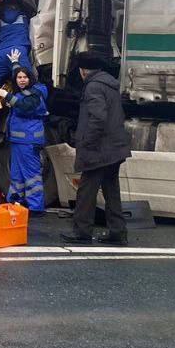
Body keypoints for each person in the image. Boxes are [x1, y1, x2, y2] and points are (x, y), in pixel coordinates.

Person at [63, 53, 132, 245]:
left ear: (83, 70)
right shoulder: (109, 84)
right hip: (114, 148)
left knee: (86, 191)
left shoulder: (93, 86)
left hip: (99, 149)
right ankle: (118, 232)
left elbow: (97, 118)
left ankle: (82, 232)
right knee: (111, 190)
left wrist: (87, 143)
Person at [0, 63, 48, 212]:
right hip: (19, 141)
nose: (22, 80)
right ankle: (16, 202)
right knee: (17, 174)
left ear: (30, 78)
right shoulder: (24, 93)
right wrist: (15, 63)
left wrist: (7, 96)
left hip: (28, 141)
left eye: (25, 77)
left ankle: (36, 207)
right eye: (19, 77)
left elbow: (25, 106)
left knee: (31, 175)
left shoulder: (34, 94)